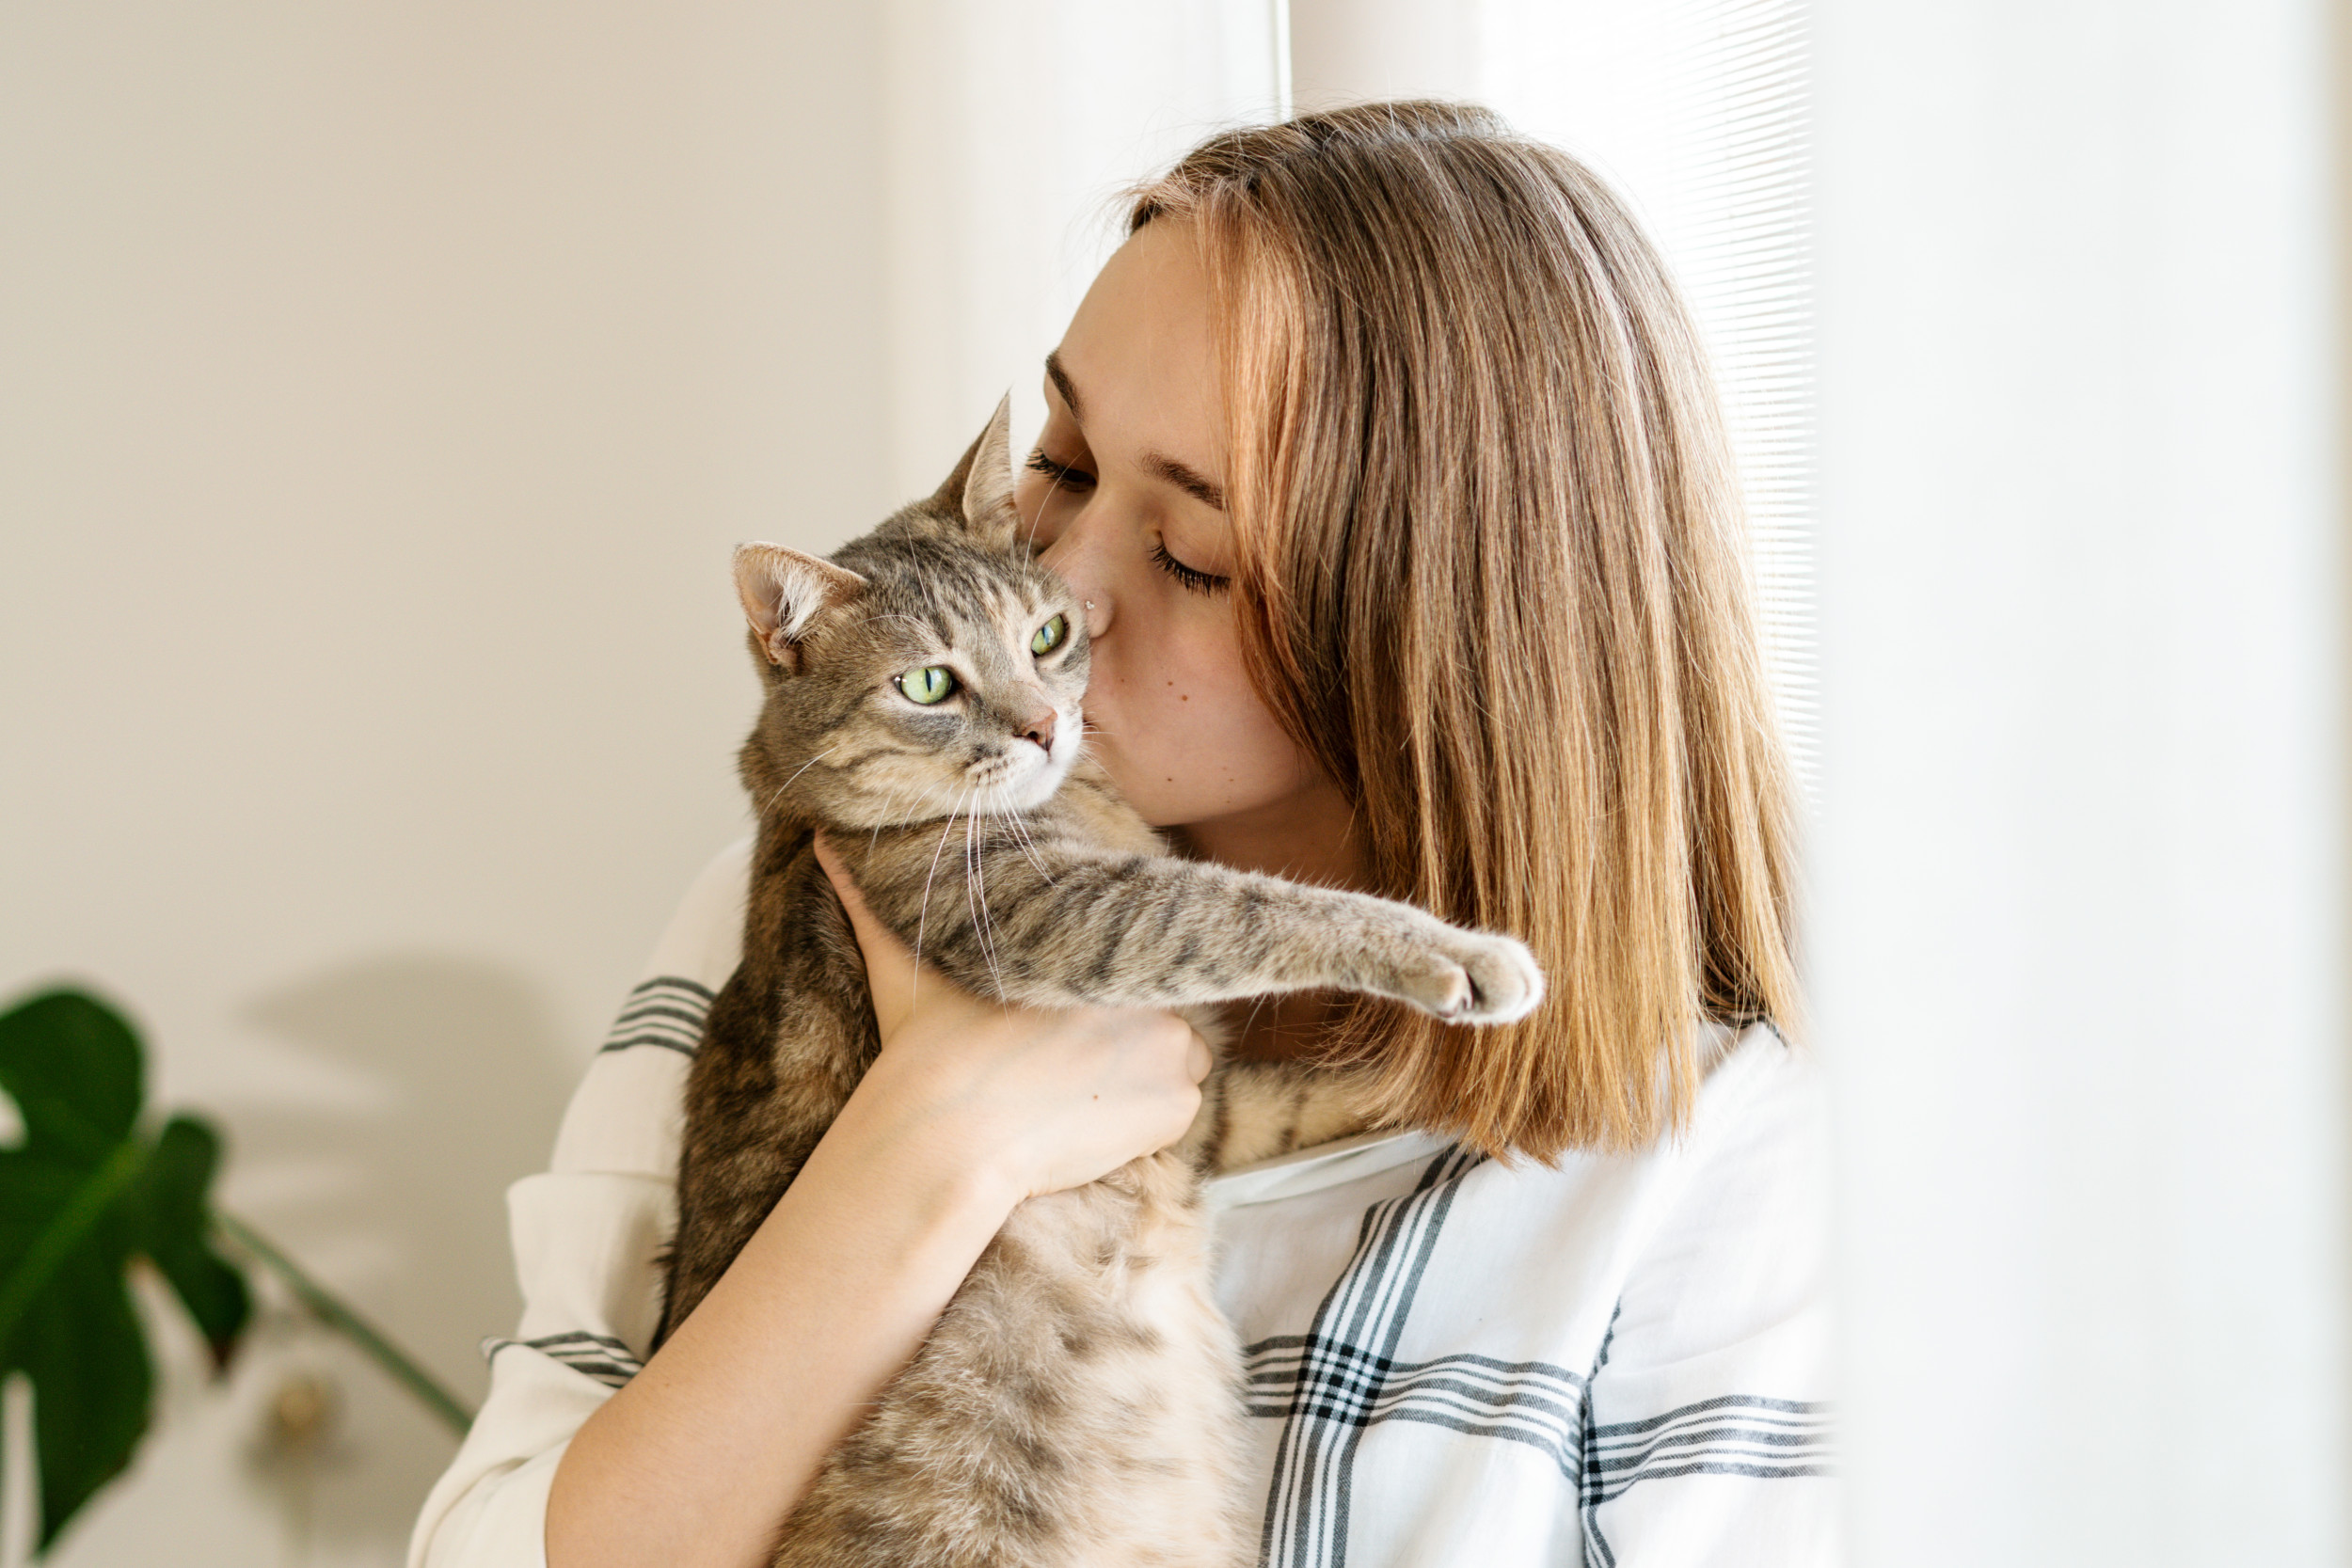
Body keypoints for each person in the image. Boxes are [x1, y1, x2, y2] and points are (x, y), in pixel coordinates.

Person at [408, 102, 1834, 1568]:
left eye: (1188, 554)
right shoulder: (784, 912)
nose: (1062, 591)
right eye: (1068, 460)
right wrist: (924, 1155)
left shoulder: (1722, 1162)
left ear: (1433, 645)